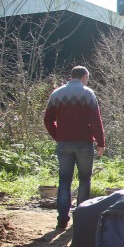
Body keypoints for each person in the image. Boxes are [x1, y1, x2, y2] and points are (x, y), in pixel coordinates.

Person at [43, 66, 106, 230]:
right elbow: (96, 122)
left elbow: (47, 120)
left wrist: (58, 136)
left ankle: (62, 220)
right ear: (84, 76)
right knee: (85, 180)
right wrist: (101, 143)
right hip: (84, 144)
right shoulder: (88, 94)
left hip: (64, 144)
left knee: (64, 181)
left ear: (71, 77)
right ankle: (81, 219)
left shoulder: (56, 94)